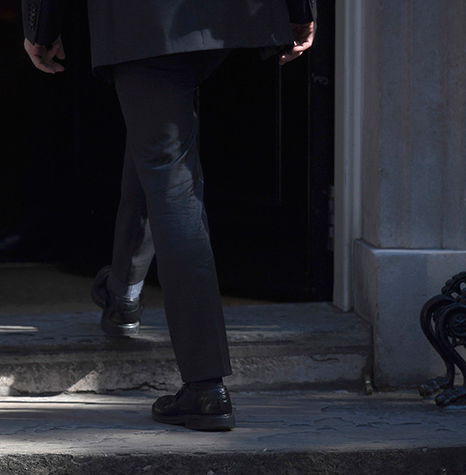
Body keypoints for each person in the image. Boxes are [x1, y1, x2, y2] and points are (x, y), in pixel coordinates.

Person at [21, 0, 316, 431]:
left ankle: (205, 385)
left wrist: (41, 23)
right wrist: (300, 6)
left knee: (171, 178)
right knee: (159, 150)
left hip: (144, 20)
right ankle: (123, 292)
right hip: (232, 15)